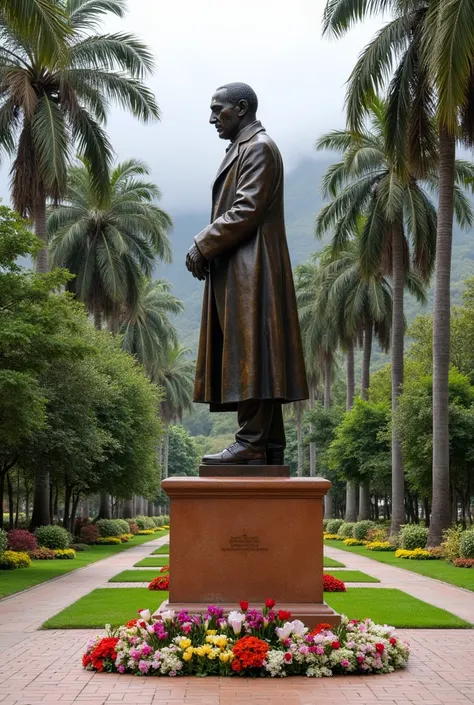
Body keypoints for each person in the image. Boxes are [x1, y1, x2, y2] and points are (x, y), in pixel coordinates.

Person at [186, 82, 308, 466]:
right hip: (241, 265)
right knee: (255, 351)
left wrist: (202, 244)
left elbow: (246, 209)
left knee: (254, 352)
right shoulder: (246, 148)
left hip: (253, 268)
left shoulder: (258, 148)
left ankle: (251, 441)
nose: (211, 118)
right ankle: (268, 443)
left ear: (241, 108)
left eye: (218, 109)